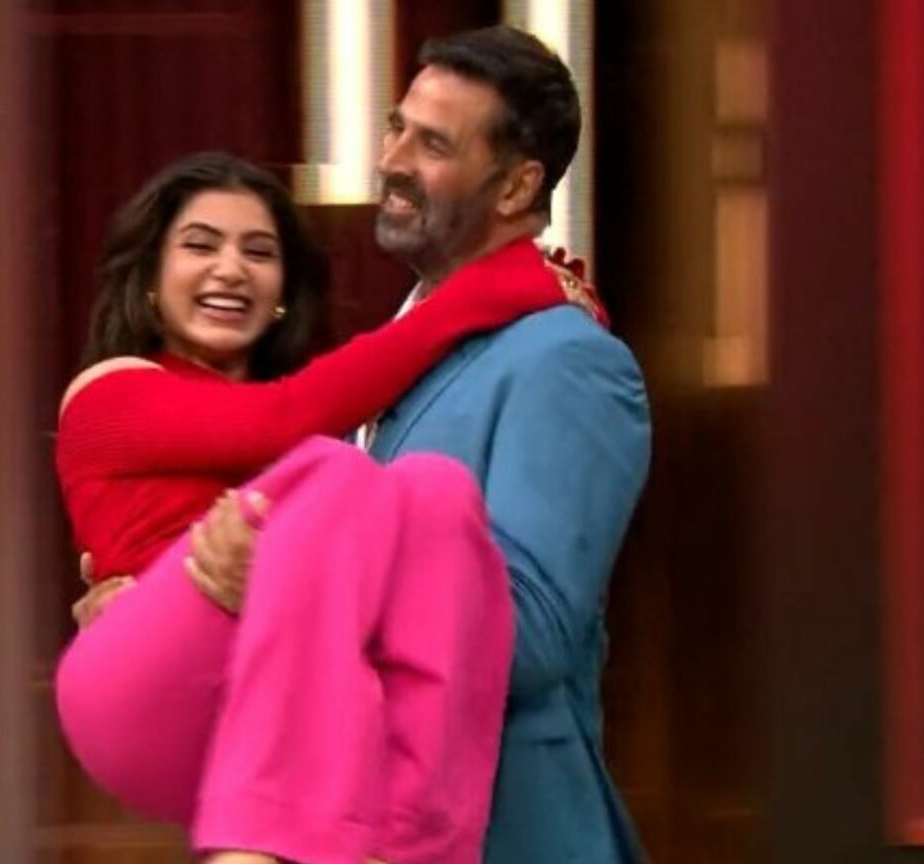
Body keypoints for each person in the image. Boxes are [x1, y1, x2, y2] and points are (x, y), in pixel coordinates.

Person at [190, 27, 652, 863]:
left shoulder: (568, 362)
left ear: (518, 185)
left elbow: (530, 637)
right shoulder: (402, 346)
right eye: (396, 127)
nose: (392, 160)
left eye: (433, 144)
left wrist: (294, 582)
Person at [52, 151, 586, 864]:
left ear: (282, 293)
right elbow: (286, 419)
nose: (231, 269)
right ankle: (255, 847)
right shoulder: (111, 388)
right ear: (149, 277)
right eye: (200, 246)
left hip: (273, 701)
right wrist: (500, 286)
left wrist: (282, 580)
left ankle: (416, 846)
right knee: (337, 473)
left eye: (258, 252)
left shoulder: (309, 451)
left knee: (437, 492)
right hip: (141, 692)